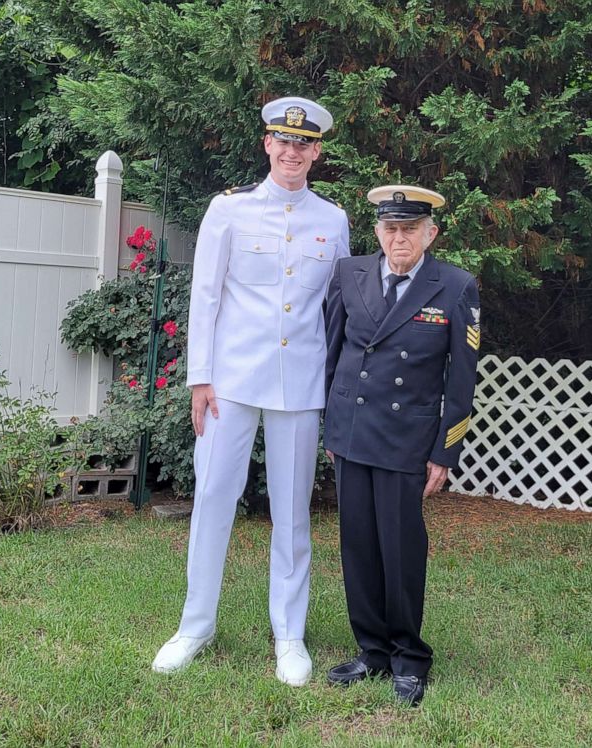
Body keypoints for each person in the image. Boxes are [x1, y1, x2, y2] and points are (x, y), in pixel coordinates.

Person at [151, 97, 350, 686]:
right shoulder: (229, 211)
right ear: (267, 144)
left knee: (292, 513)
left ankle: (289, 634)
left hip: (301, 383)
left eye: (304, 144)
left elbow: (337, 309)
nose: (293, 152)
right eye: (283, 142)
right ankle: (195, 625)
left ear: (316, 151)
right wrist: (199, 377)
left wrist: (336, 390)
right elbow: (205, 295)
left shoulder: (332, 220)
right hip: (230, 381)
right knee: (213, 497)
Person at [322, 185, 481, 705]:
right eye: (390, 228)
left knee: (401, 549)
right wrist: (331, 425)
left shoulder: (454, 286)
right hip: (352, 432)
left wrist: (445, 451)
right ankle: (371, 650)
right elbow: (332, 351)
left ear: (430, 233)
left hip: (406, 441)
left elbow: (461, 383)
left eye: (410, 229)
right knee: (358, 546)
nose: (399, 238)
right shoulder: (350, 274)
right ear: (377, 233)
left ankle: (409, 657)